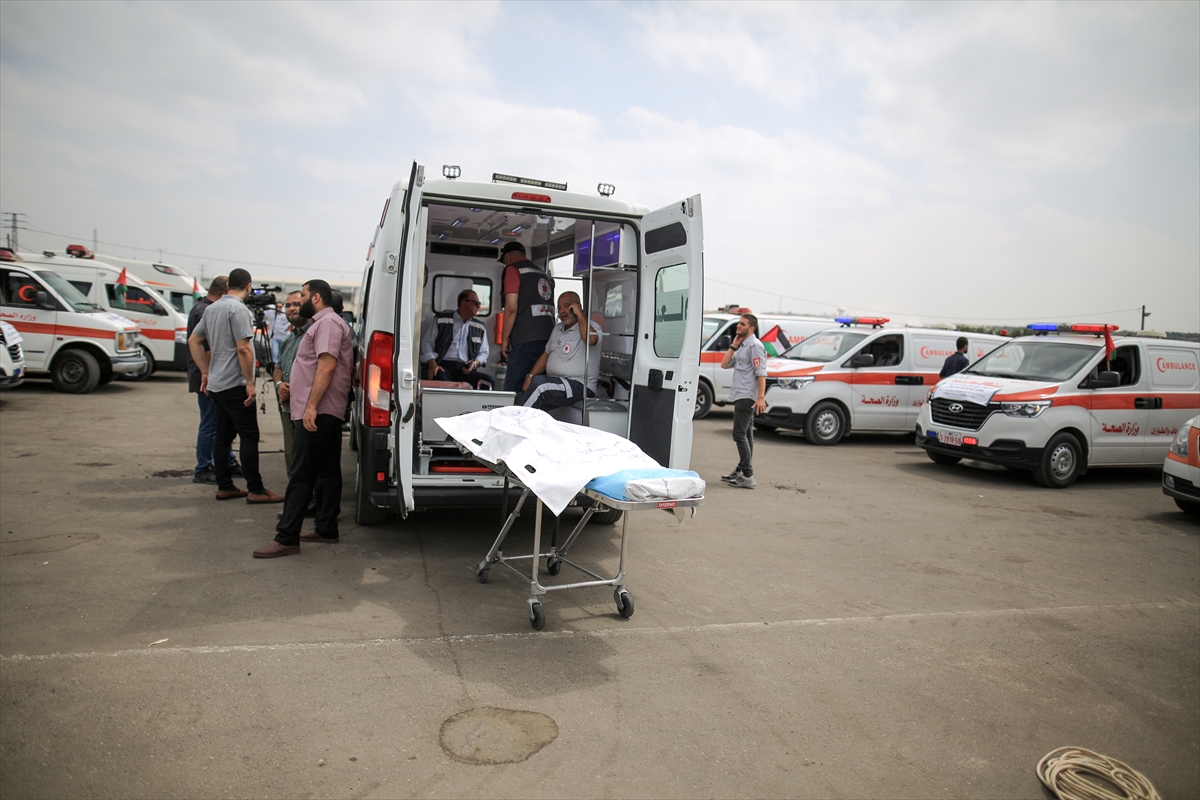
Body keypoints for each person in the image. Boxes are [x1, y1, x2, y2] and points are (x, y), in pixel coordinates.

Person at [254, 279, 354, 558]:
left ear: (317, 298)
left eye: (304, 296)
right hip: (321, 410)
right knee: (326, 470)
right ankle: (326, 528)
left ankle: (286, 536)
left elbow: (326, 365)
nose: (300, 302)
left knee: (300, 474)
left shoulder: (328, 324)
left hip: (319, 411)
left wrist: (310, 407)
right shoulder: (323, 323)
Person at [188, 268, 284, 505]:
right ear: (249, 286)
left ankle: (225, 486)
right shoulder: (238, 309)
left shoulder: (211, 308)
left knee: (223, 435)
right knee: (249, 436)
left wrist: (205, 372)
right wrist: (250, 383)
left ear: (229, 284)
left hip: (218, 384)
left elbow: (193, 340)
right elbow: (243, 348)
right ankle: (256, 489)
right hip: (235, 384)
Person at [186, 275, 240, 484]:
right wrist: (210, 375)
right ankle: (203, 467)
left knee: (222, 423)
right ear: (225, 290)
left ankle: (227, 461)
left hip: (209, 376)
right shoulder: (206, 311)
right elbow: (207, 349)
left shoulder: (204, 307)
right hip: (207, 377)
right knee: (211, 423)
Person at [515, 291, 601, 410]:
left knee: (541, 385)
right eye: (559, 307)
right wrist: (530, 376)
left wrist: (580, 314)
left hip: (579, 385)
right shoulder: (558, 328)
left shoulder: (592, 326)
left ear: (577, 306)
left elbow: (591, 339)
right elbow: (546, 355)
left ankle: (514, 423)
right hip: (557, 383)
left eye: (567, 306)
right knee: (521, 395)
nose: (562, 311)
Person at [499, 241, 555, 391]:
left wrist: (504, 340)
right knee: (535, 389)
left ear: (508, 257)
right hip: (549, 341)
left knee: (513, 391)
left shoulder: (513, 270)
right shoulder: (545, 275)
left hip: (525, 340)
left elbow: (511, 308)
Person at [719, 313, 767, 489]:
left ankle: (747, 474)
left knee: (739, 435)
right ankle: (741, 470)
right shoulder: (743, 346)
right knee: (746, 435)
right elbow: (724, 365)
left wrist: (760, 397)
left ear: (751, 328)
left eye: (742, 324)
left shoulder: (755, 346)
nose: (738, 326)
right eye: (738, 323)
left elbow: (761, 373)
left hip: (747, 396)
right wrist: (733, 346)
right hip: (741, 394)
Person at [419, 288, 494, 389]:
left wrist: (474, 364)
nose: (479, 306)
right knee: (443, 383)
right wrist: (432, 364)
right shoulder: (441, 320)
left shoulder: (479, 327)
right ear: (463, 304)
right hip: (442, 366)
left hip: (464, 370)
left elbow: (484, 352)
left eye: (479, 303)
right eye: (476, 303)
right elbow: (427, 343)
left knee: (489, 382)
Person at [273, 291, 308, 474]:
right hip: (287, 406)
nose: (292, 309)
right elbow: (277, 368)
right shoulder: (287, 340)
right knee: (291, 454)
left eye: (297, 304)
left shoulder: (313, 336)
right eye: (288, 306)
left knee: (306, 457)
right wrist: (279, 385)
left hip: (306, 409)